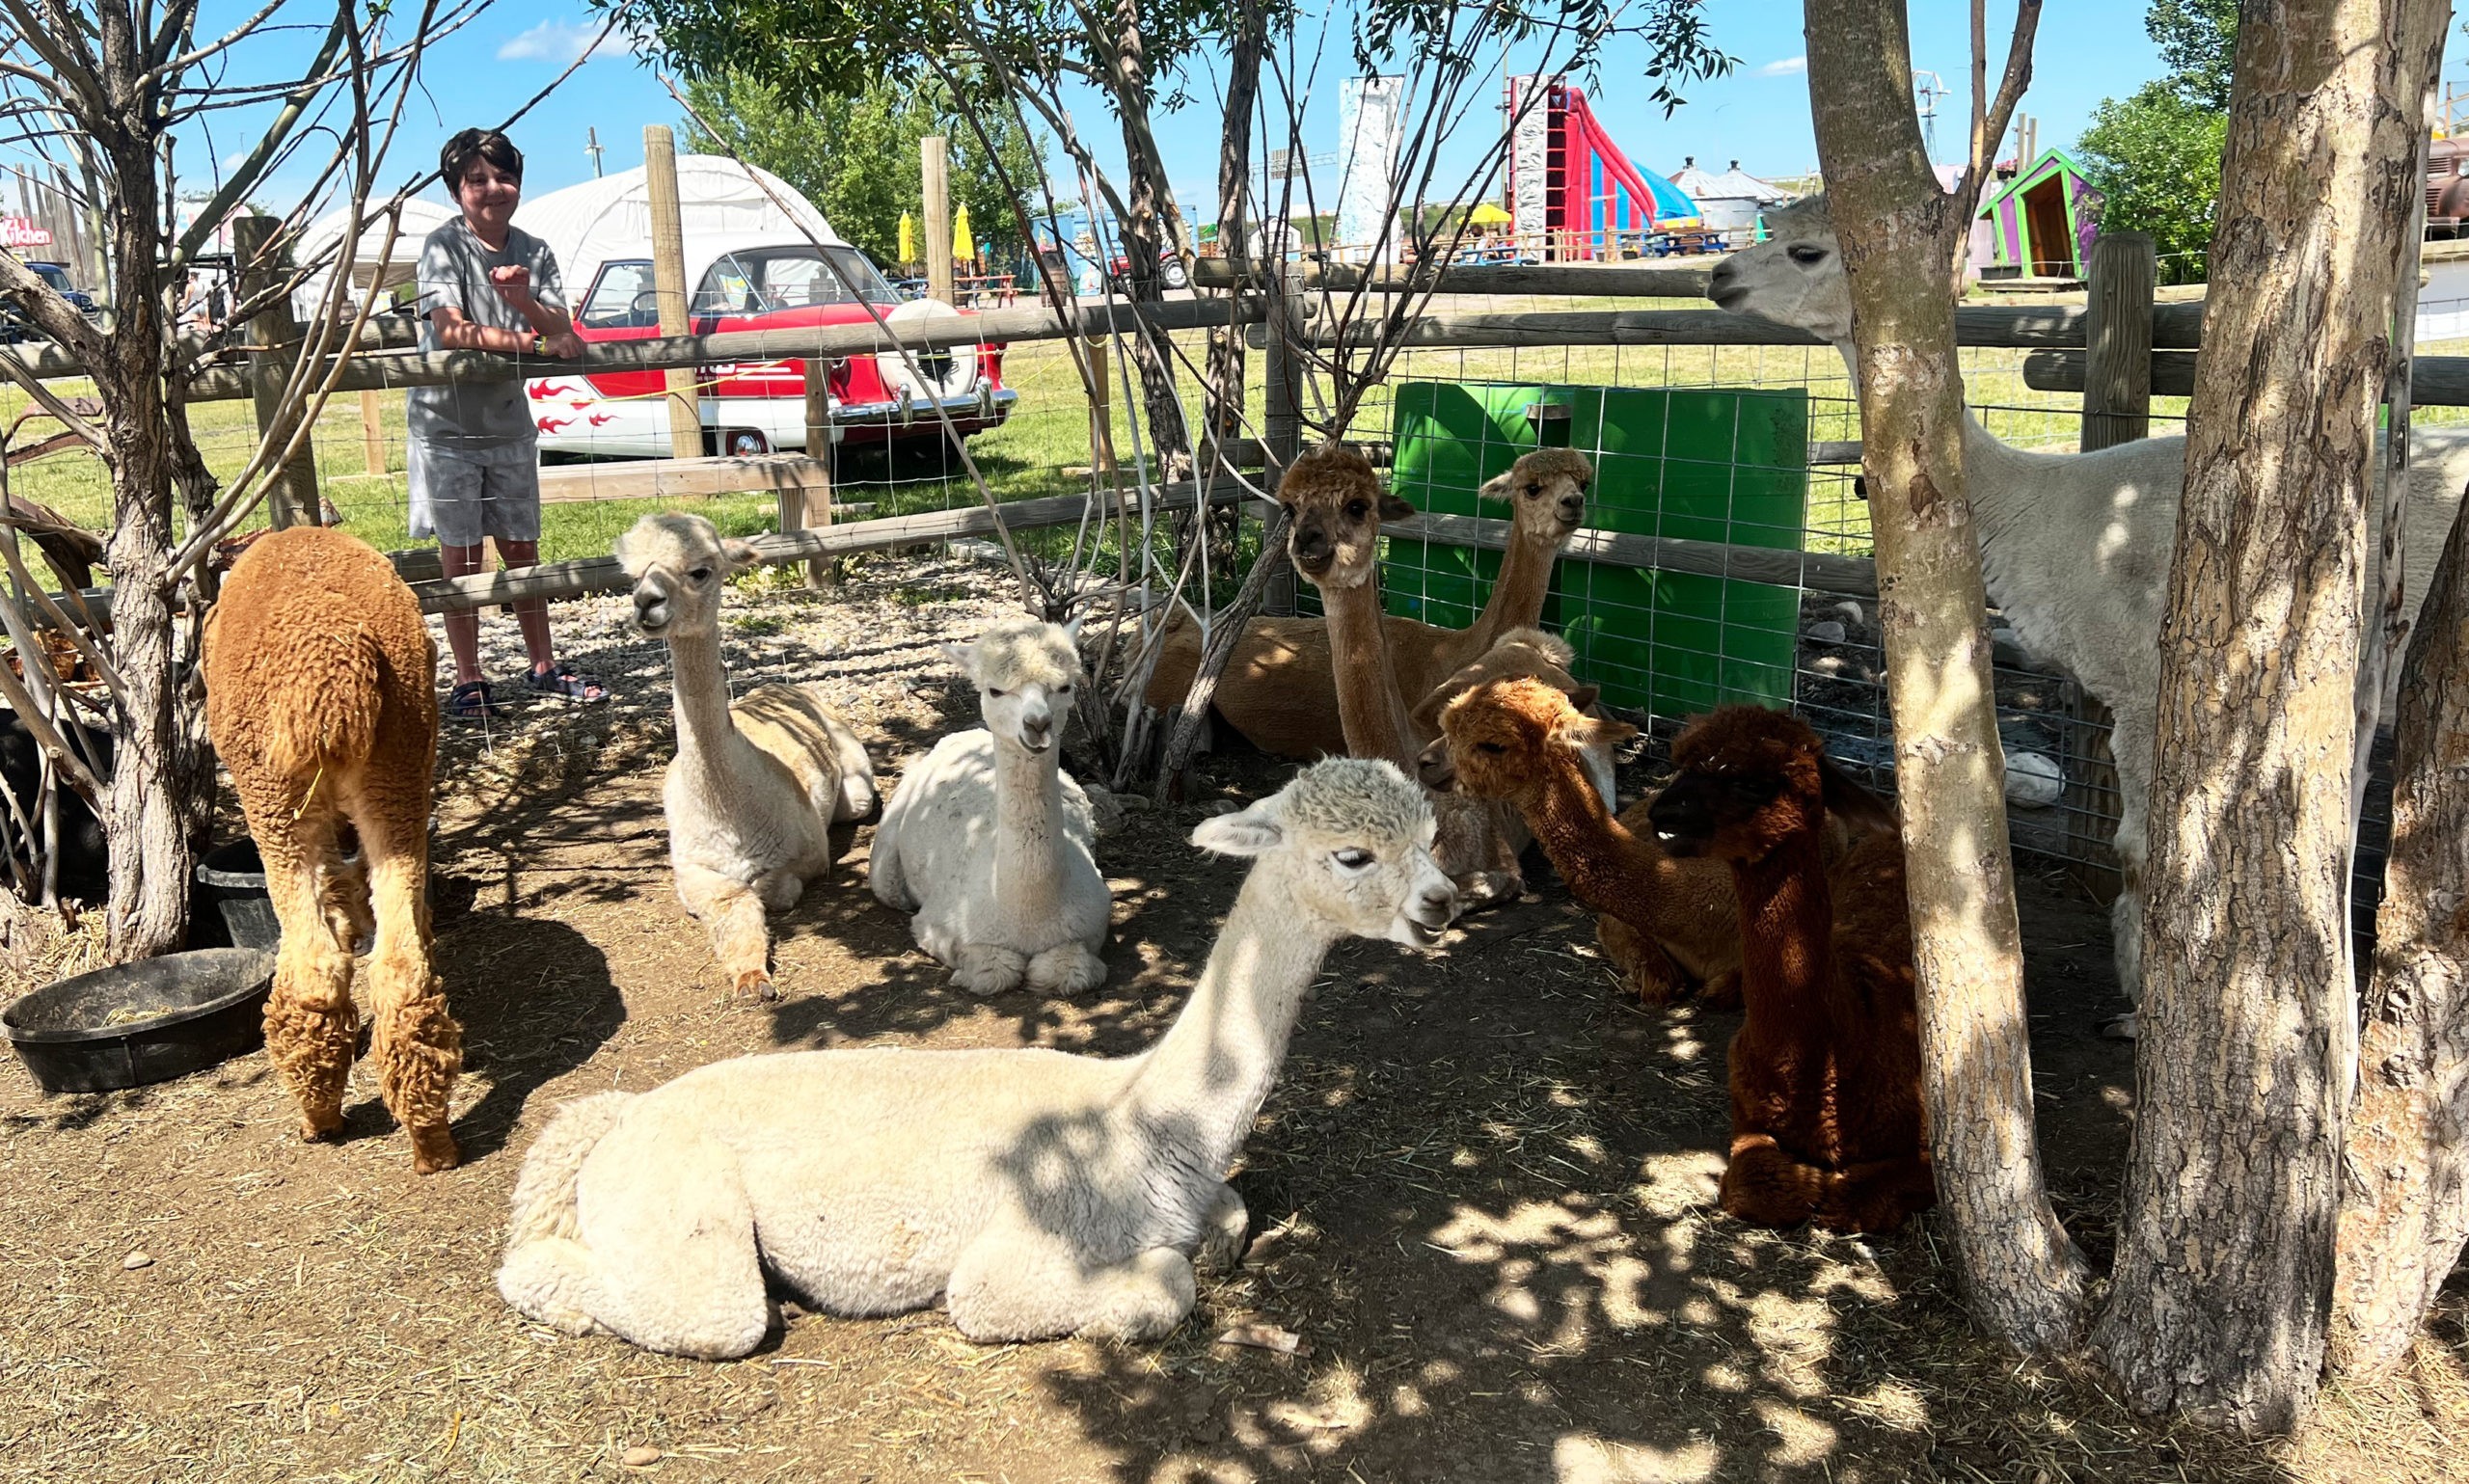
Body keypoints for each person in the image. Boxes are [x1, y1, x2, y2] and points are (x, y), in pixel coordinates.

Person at [410, 127, 607, 721]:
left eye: (504, 176)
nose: (493, 189)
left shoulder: (535, 249)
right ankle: (469, 676)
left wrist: (523, 301)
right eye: (477, 179)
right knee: (462, 555)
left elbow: (562, 328)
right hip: (446, 428)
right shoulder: (442, 247)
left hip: (508, 424)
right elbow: (451, 330)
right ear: (456, 190)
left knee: (522, 546)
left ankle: (542, 664)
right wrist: (534, 342)